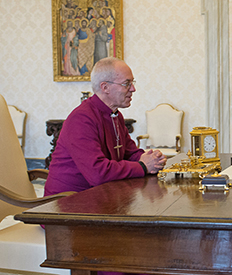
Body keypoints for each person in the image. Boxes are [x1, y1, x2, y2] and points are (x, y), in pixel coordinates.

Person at [45, 57, 166, 197]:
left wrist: (151, 159)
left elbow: (130, 152)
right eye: (127, 83)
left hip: (99, 196)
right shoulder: (81, 119)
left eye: (132, 83)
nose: (133, 89)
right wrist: (143, 166)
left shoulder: (115, 115)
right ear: (105, 87)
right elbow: (98, 173)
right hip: (66, 204)